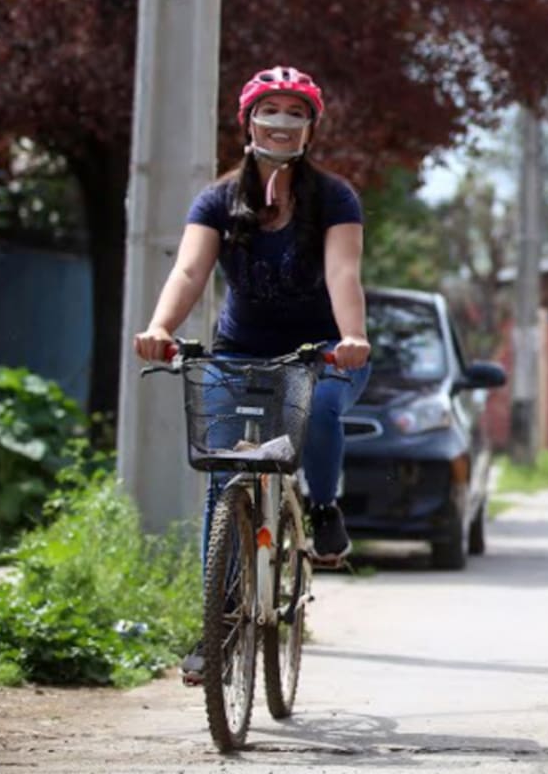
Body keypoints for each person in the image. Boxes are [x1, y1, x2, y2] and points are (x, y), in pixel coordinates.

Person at [132, 65, 372, 679]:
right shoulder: (218, 200)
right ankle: (219, 629)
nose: (283, 123)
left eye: (296, 113)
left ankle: (321, 508)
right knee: (225, 475)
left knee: (318, 411)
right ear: (248, 122)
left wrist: (351, 337)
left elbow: (344, 272)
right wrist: (161, 327)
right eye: (271, 111)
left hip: (322, 352)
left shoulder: (333, 197)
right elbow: (189, 272)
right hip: (240, 354)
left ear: (310, 127)